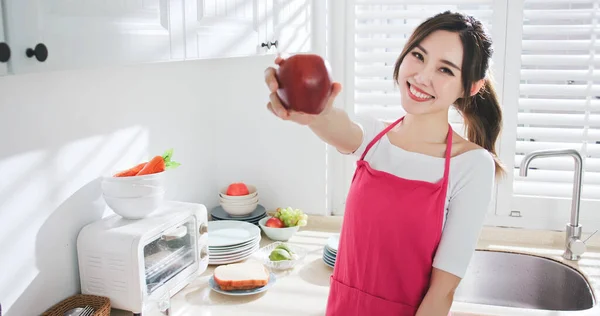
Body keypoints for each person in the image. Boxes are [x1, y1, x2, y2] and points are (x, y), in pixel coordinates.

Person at [263, 10, 503, 316]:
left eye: (445, 70)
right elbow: (334, 125)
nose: (422, 76)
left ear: (470, 87)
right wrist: (310, 107)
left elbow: (442, 293)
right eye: (418, 55)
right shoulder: (374, 139)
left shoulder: (471, 165)